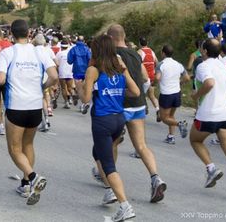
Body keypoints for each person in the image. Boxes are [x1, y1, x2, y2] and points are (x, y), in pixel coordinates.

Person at [75, 35, 140, 222]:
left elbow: (85, 99)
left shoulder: (93, 70)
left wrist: (80, 87)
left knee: (108, 164)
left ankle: (124, 205)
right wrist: (116, 93)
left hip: (102, 120)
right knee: (98, 152)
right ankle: (110, 189)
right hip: (118, 118)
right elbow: (135, 92)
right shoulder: (119, 68)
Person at [0, 20, 58, 205]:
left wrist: (1, 77)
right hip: (35, 105)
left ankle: (33, 177)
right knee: (28, 145)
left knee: (14, 149)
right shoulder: (39, 52)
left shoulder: (8, 52)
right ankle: (26, 184)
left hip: (16, 105)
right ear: (29, 33)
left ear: (11, 35)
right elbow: (54, 76)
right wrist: (42, 86)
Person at [107, 24, 167, 204]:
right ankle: (156, 177)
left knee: (112, 144)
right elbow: (145, 78)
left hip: (120, 105)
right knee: (141, 145)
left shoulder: (110, 55)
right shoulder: (135, 54)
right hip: (138, 104)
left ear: (110, 38)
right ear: (124, 36)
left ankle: (111, 187)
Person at [190, 38, 226, 200]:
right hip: (225, 113)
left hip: (208, 113)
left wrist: (195, 95)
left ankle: (211, 169)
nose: (201, 50)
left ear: (205, 51)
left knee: (194, 140)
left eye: (202, 48)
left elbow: (209, 83)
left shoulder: (203, 65)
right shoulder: (223, 65)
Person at [156, 45, 190, 144]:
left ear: (163, 53)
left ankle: (180, 124)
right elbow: (187, 78)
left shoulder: (161, 64)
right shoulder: (178, 64)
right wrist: (180, 82)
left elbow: (157, 78)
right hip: (177, 93)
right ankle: (171, 137)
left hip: (166, 94)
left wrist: (154, 82)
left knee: (164, 118)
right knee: (171, 115)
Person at [137, 37, 160, 122]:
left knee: (140, 94)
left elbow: (136, 64)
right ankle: (158, 110)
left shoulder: (139, 52)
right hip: (152, 76)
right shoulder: (152, 51)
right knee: (152, 95)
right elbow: (157, 63)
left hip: (144, 77)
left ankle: (142, 109)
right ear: (147, 42)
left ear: (139, 43)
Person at [67, 36, 91, 114]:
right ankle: (83, 103)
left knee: (79, 88)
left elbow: (69, 61)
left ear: (77, 41)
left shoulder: (73, 49)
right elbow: (90, 59)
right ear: (84, 41)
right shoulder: (87, 49)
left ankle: (83, 102)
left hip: (77, 71)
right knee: (84, 88)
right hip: (86, 71)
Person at [56, 39, 76, 109]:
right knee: (70, 88)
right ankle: (73, 94)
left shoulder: (59, 53)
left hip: (62, 72)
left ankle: (67, 103)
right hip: (70, 72)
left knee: (64, 88)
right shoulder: (71, 52)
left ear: (61, 46)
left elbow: (57, 64)